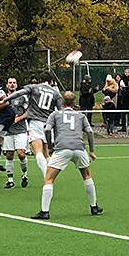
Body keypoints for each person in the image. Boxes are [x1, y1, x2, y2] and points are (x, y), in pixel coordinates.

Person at [31, 91, 102, 220]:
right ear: (74, 103)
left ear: (62, 103)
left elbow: (47, 129)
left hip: (62, 148)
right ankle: (94, 206)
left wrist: (51, 147)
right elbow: (90, 132)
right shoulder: (81, 116)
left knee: (49, 179)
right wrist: (91, 151)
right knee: (87, 175)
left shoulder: (55, 114)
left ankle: (44, 211)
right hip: (79, 148)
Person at [0, 72, 63, 178]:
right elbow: (61, 110)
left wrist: (5, 99)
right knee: (47, 152)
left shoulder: (34, 87)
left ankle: (47, 176)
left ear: (39, 80)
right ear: (51, 81)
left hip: (36, 122)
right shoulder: (55, 93)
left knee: (38, 152)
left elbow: (19, 93)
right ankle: (51, 174)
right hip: (48, 124)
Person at [1, 77, 29, 189]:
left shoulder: (22, 97)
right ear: (7, 85)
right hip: (8, 131)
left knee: (21, 154)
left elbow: (28, 112)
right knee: (9, 155)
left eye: (14, 82)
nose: (12, 84)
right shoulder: (3, 98)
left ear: (17, 85)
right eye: (10, 83)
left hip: (20, 130)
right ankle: (10, 180)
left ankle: (24, 175)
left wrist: (18, 119)